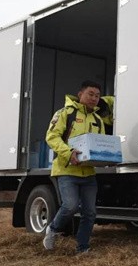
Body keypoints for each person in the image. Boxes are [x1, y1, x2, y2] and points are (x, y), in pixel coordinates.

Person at [43, 80, 106, 254]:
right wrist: (68, 151)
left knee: (90, 213)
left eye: (97, 96)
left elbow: (98, 145)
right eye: (90, 94)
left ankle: (83, 248)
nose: (94, 98)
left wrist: (104, 156)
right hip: (66, 170)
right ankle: (53, 229)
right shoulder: (65, 113)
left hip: (88, 173)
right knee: (70, 206)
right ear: (80, 94)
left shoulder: (98, 120)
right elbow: (52, 137)